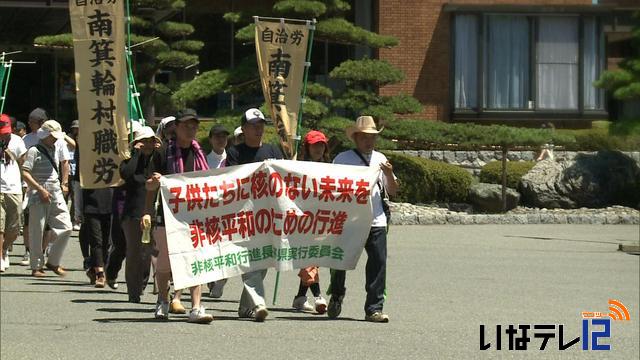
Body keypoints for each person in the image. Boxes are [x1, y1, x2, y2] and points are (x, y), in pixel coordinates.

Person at [142, 109, 213, 323]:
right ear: (176, 127)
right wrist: (147, 211)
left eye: (194, 126)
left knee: (196, 261)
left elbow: (210, 183)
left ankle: (197, 307)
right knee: (164, 264)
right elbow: (150, 184)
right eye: (186, 126)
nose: (190, 130)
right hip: (168, 216)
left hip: (195, 217)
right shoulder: (163, 152)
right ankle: (163, 300)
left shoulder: (200, 153)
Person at [328, 115, 399, 323]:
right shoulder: (342, 159)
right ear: (356, 138)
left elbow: (393, 191)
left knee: (378, 263)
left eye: (373, 137)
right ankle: (337, 294)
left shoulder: (381, 159)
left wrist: (389, 173)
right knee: (340, 260)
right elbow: (330, 189)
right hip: (349, 219)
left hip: (376, 220)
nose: (369, 141)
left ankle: (374, 308)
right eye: (365, 137)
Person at [226, 108, 284, 322]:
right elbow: (229, 181)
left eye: (261, 125)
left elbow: (285, 177)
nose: (258, 128)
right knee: (249, 259)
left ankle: (245, 307)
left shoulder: (273, 150)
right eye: (253, 125)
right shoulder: (235, 153)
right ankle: (259, 302)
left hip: (268, 215)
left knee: (263, 259)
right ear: (244, 129)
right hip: (243, 215)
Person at [21, 120, 72, 277]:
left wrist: (63, 184)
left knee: (67, 227)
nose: (55, 139)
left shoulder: (54, 148)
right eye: (52, 136)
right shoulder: (34, 151)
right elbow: (25, 172)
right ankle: (36, 266)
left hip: (54, 191)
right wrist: (40, 189)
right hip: (38, 194)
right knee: (37, 230)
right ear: (45, 135)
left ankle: (53, 261)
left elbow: (63, 164)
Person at [291, 130, 330, 313]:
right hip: (302, 219)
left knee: (313, 258)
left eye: (321, 145)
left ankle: (300, 298)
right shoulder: (298, 167)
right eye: (314, 145)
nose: (318, 148)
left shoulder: (331, 168)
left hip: (323, 219)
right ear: (307, 147)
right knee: (310, 258)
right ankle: (318, 297)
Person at [120, 126, 158, 303]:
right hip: (133, 213)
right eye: (145, 141)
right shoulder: (129, 161)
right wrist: (136, 154)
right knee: (134, 253)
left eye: (151, 141)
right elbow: (126, 174)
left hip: (153, 212)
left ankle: (143, 283)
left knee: (149, 253)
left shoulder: (157, 160)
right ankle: (133, 291)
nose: (148, 145)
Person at [205, 124, 230, 298]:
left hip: (230, 209)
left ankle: (221, 280)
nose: (221, 140)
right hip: (210, 209)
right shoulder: (205, 160)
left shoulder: (234, 158)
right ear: (210, 139)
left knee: (228, 247)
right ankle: (212, 280)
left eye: (224, 136)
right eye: (217, 136)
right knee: (211, 248)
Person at [1, 115, 27, 273]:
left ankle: (4, 249)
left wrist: (26, 184)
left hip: (14, 188)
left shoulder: (17, 141)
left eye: (7, 131)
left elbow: (24, 163)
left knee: (14, 227)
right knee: (0, 226)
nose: (5, 135)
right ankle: (0, 256)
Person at [68, 120, 81, 231]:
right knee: (71, 197)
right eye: (74, 128)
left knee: (75, 197)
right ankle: (72, 220)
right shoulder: (67, 137)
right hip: (69, 171)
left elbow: (74, 145)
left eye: (78, 128)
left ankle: (76, 219)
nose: (76, 130)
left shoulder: (81, 140)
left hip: (77, 172)